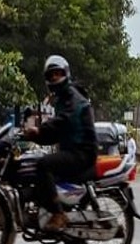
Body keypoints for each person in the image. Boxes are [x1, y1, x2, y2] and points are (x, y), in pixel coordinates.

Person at [23, 55, 97, 233]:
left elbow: (63, 121)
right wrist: (36, 137)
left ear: (66, 73)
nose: (55, 78)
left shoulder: (72, 97)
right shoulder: (63, 98)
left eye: (58, 73)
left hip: (82, 152)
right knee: (40, 164)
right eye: (52, 75)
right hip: (73, 150)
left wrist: (40, 130)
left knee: (43, 165)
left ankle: (58, 214)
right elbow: (56, 133)